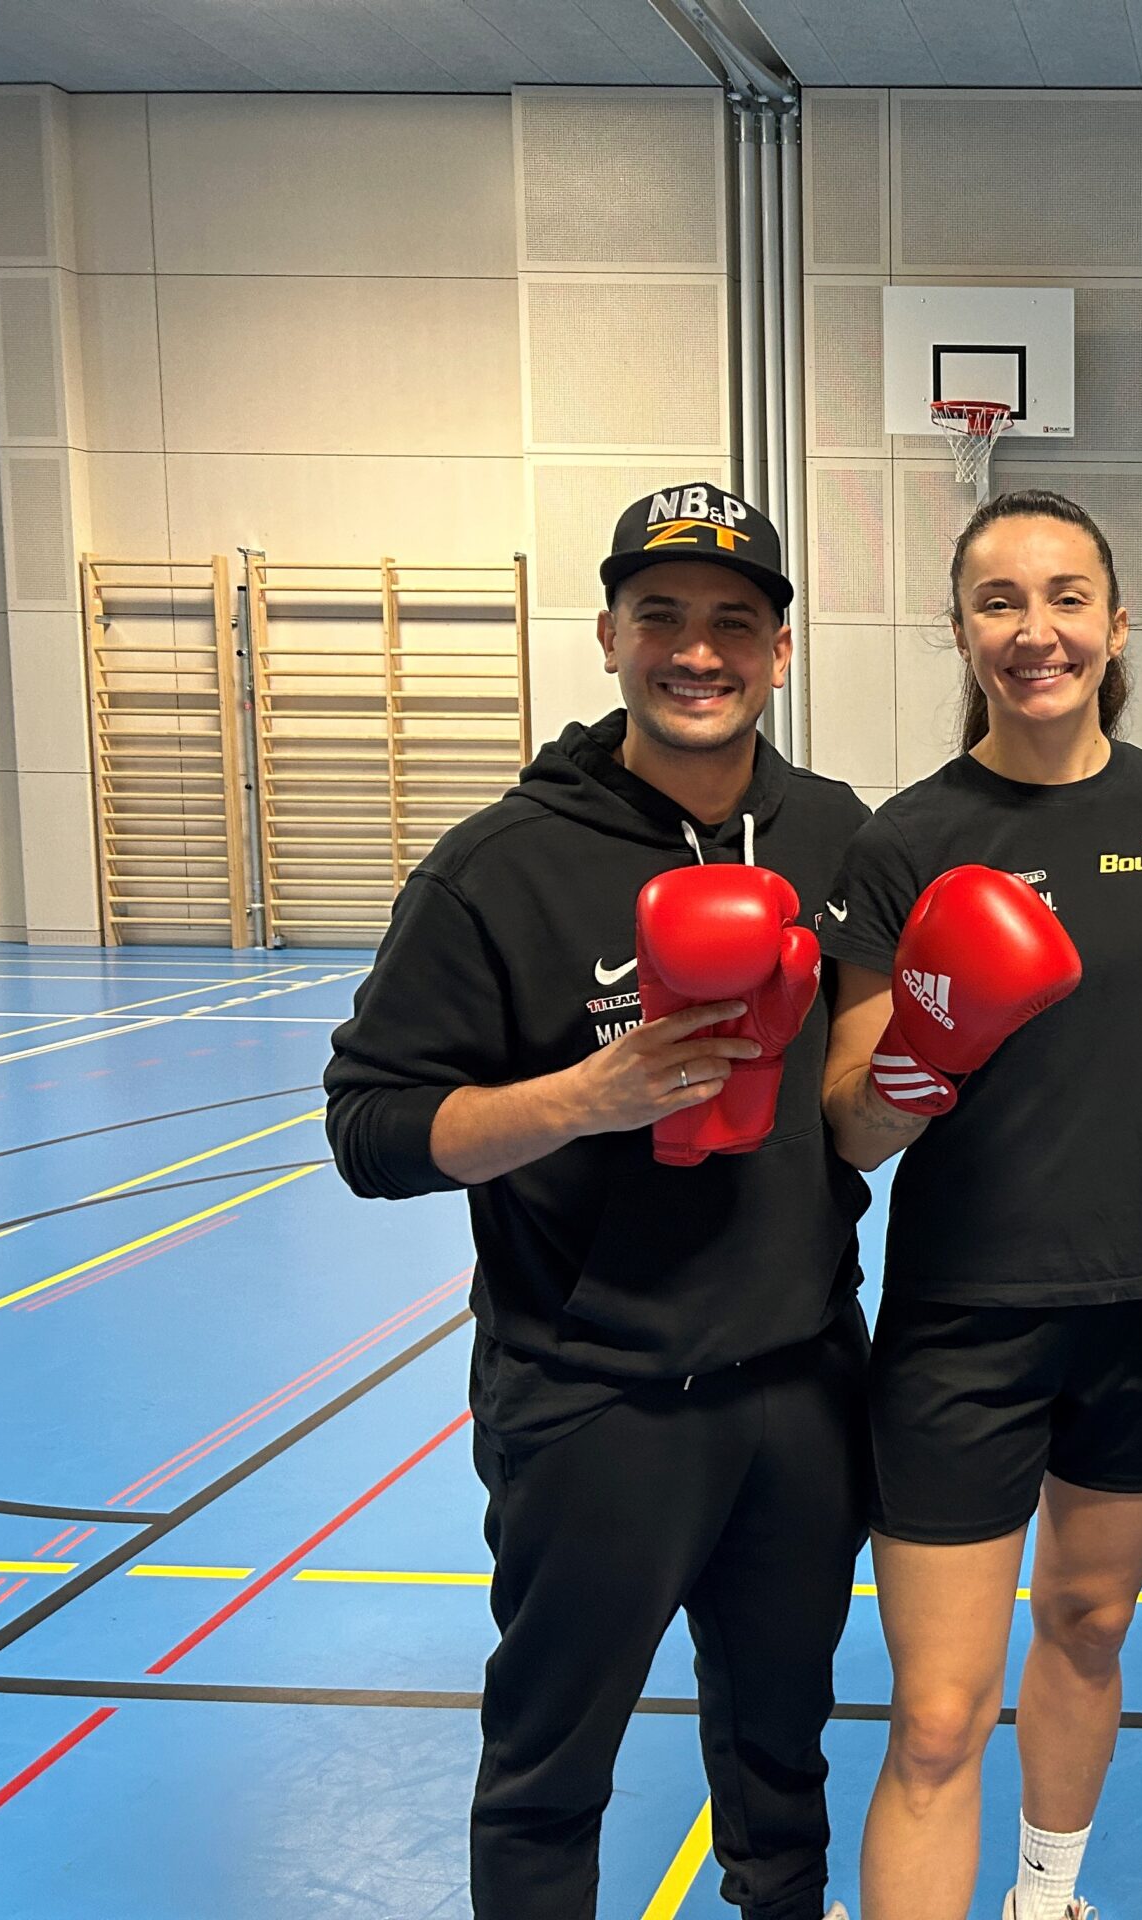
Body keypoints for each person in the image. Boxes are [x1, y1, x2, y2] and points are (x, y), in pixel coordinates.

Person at [325, 483, 870, 1920]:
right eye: (663, 619)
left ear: (781, 653)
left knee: (782, 1770)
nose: (699, 652)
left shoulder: (832, 833)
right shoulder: (501, 867)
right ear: (611, 638)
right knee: (548, 1774)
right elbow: (368, 1127)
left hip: (804, 1387)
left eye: (734, 624)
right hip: (594, 1398)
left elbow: (850, 1116)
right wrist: (585, 1096)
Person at [818, 489, 1142, 1920]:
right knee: (936, 1714)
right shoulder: (906, 839)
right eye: (1000, 601)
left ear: (1117, 626)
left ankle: (1045, 1896)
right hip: (962, 1324)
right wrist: (926, 1053)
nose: (1034, 630)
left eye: (1066, 597)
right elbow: (853, 1127)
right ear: (960, 632)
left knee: (1089, 1625)